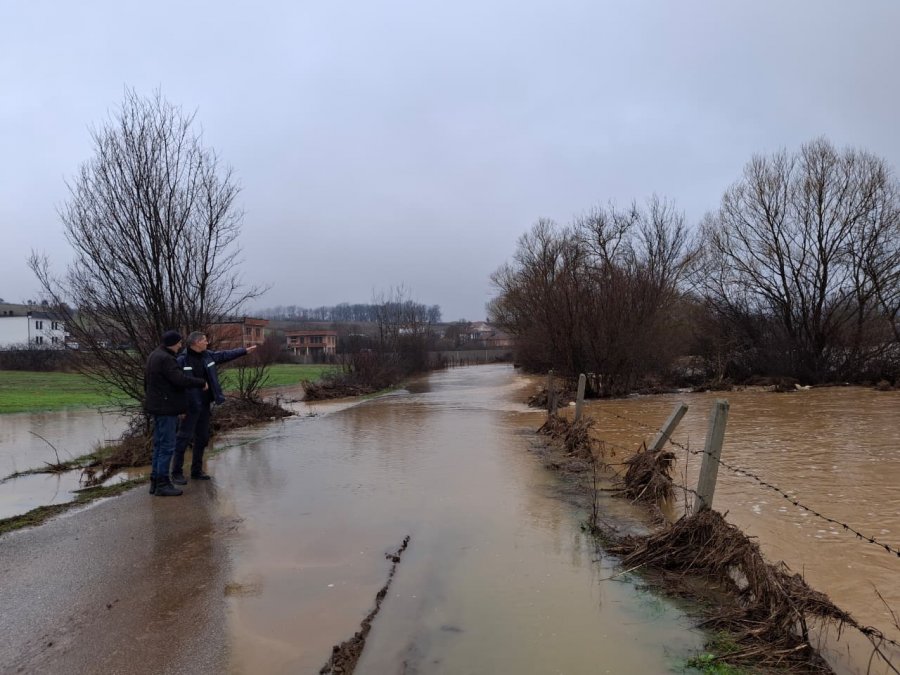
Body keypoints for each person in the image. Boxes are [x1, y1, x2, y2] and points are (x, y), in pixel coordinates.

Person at [171, 331, 257, 483]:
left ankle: (196, 471)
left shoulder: (207, 356)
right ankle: (176, 473)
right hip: (189, 406)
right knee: (183, 439)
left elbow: (224, 355)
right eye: (204, 340)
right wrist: (179, 408)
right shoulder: (182, 360)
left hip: (204, 405)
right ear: (196, 342)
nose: (207, 342)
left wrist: (244, 351)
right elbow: (176, 386)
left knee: (202, 438)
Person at [144, 330, 207, 497]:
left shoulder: (154, 356)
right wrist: (200, 382)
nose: (181, 345)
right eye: (179, 342)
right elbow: (179, 380)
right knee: (166, 446)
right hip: (166, 408)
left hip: (156, 406)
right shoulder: (166, 359)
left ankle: (156, 481)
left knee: (158, 445)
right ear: (172, 343)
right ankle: (163, 484)